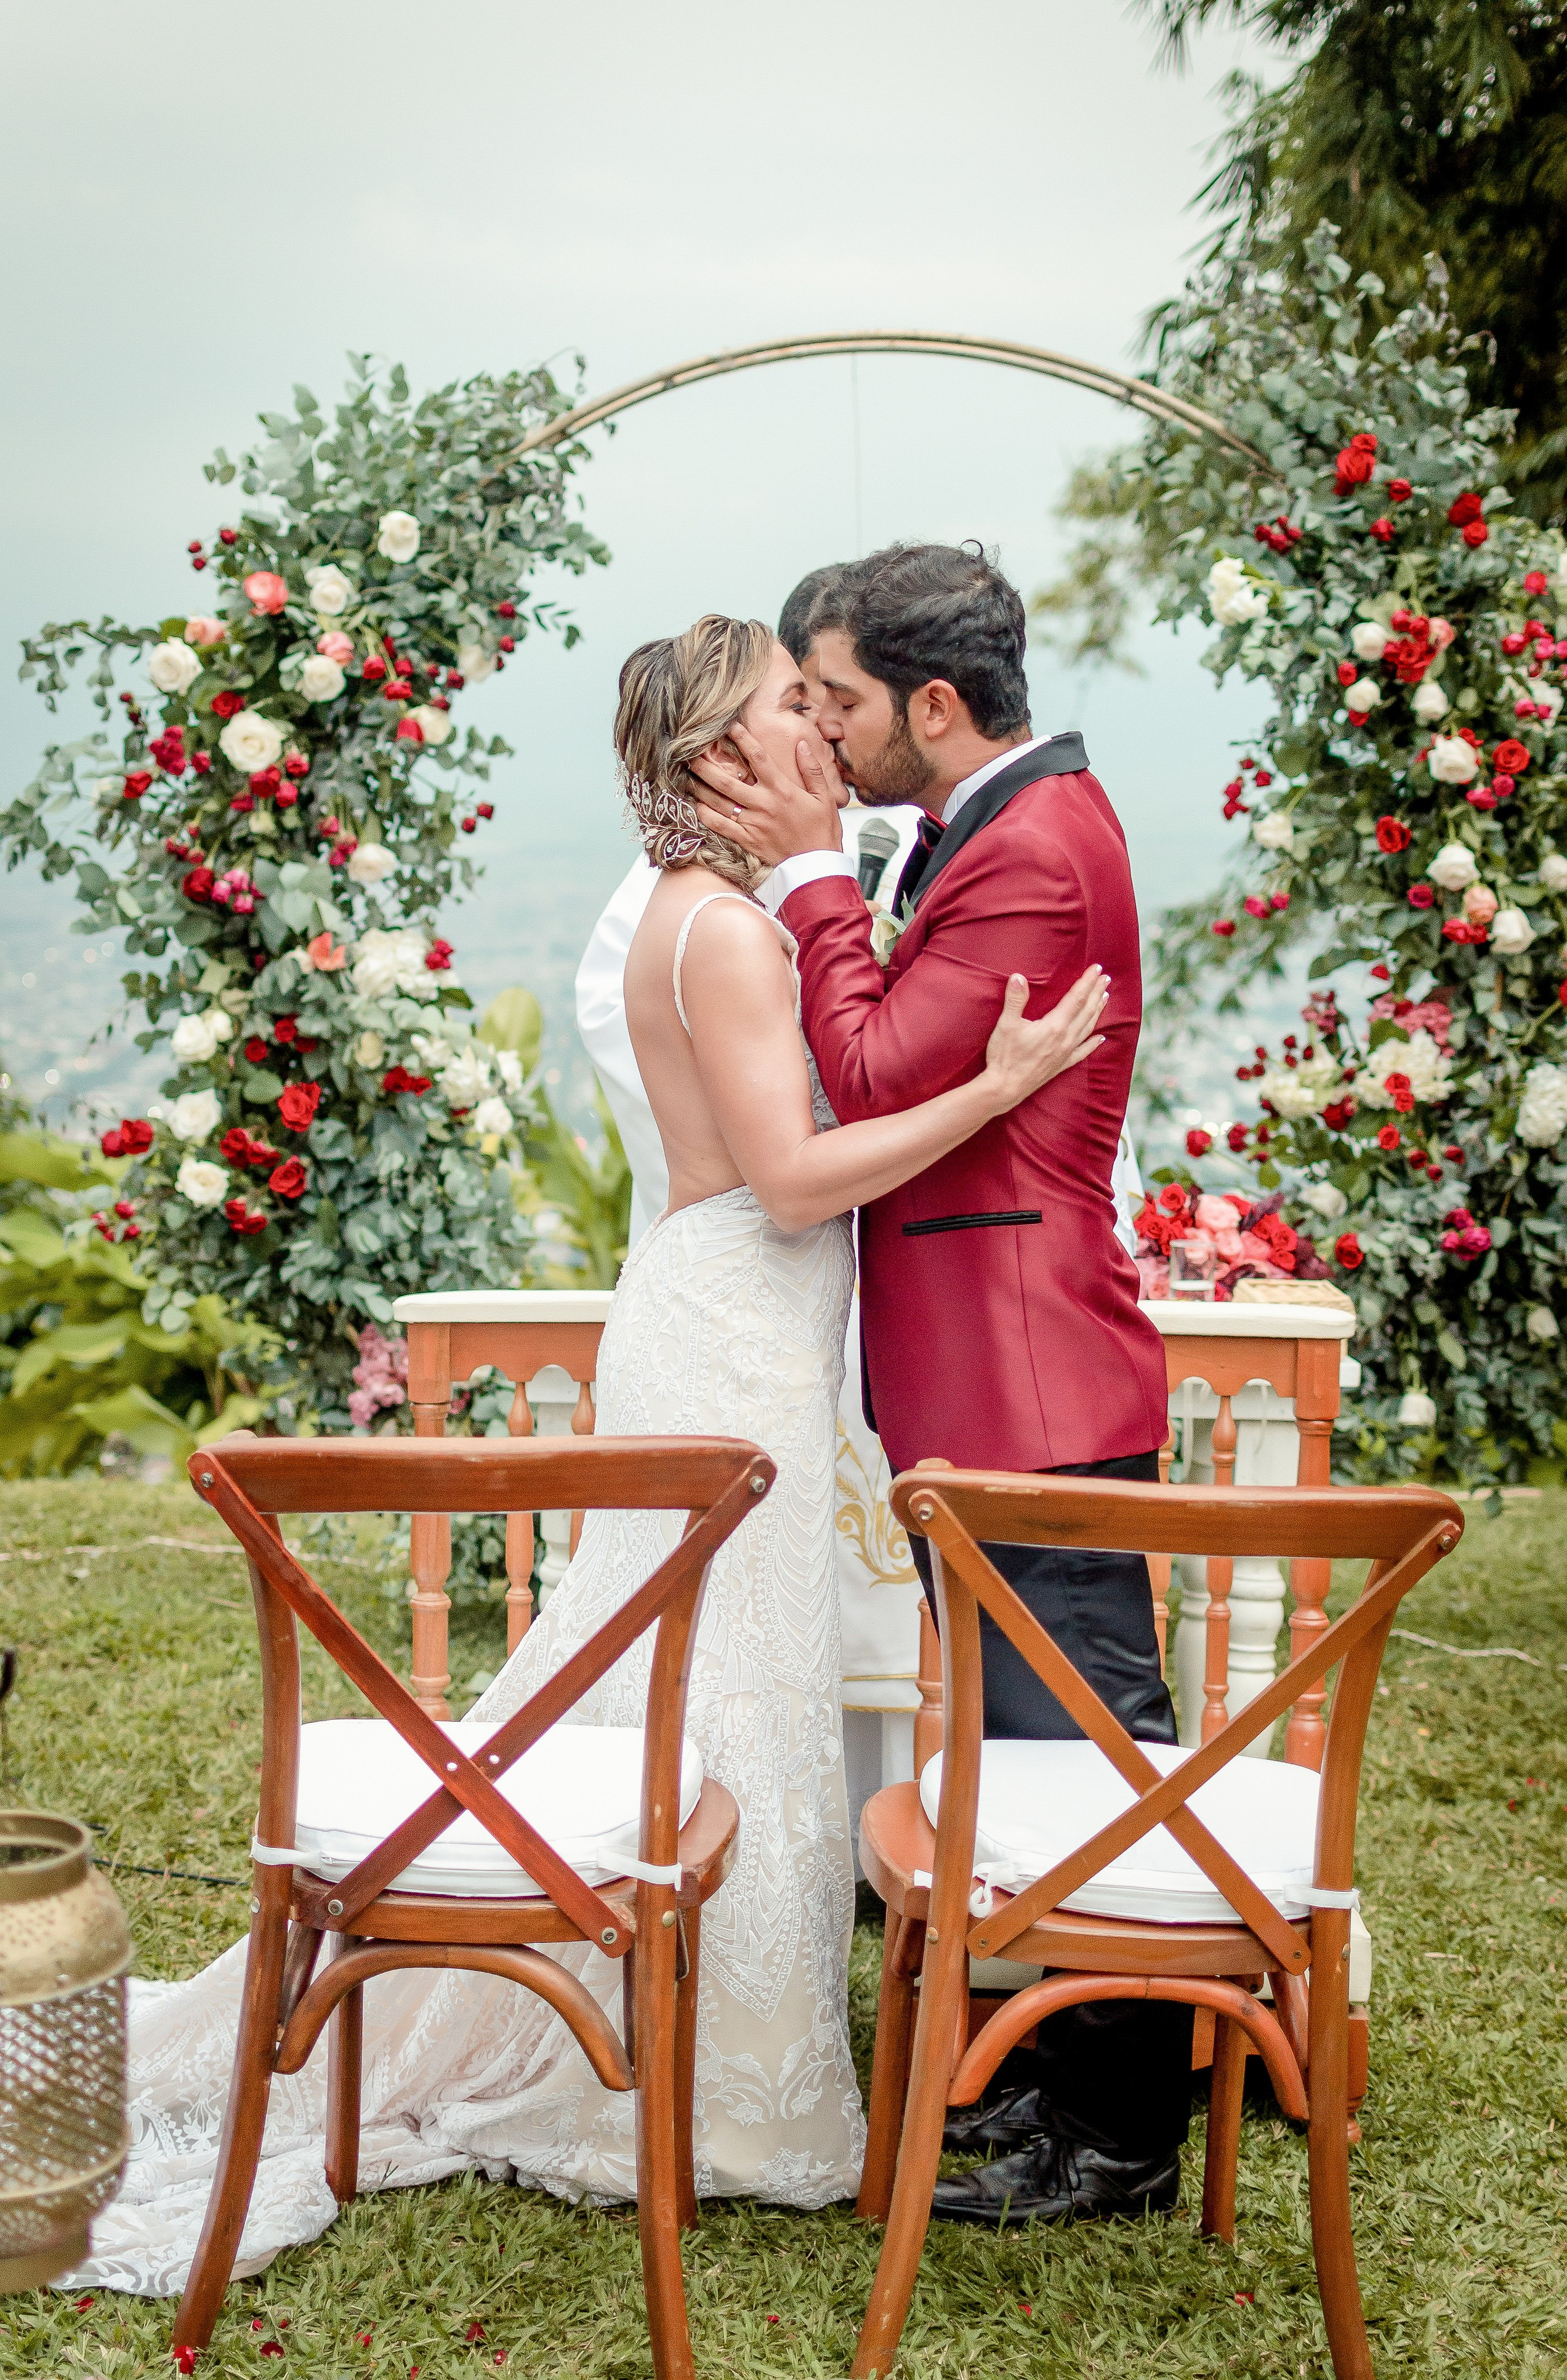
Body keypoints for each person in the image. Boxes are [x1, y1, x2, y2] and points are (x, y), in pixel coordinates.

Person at [70, 613, 1106, 2297]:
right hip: (733, 1342)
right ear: (718, 762)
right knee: (727, 1694)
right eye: (789, 707)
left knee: (702, 1690)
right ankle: (726, 2091)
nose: (818, 729)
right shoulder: (733, 939)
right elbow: (793, 1176)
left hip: (716, 1325)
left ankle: (702, 2043)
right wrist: (994, 1089)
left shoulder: (699, 917)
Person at [689, 543, 1190, 2228]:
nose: (819, 734)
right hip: (991, 1374)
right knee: (1035, 1747)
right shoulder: (1000, 824)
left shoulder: (1035, 849)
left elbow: (883, 1064)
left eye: (831, 699)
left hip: (1028, 1375)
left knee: (1091, 1750)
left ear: (933, 703)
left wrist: (821, 875)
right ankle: (1054, 2074)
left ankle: (1122, 2127)